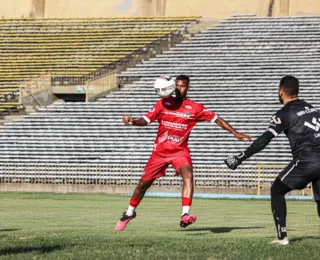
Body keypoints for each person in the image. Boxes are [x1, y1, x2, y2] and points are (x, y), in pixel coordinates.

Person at [115, 75, 251, 231]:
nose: (179, 88)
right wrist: (133, 121)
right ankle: (129, 213)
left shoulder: (195, 108)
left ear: (188, 87)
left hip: (180, 151)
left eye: (182, 86)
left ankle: (185, 214)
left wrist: (235, 133)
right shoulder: (163, 103)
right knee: (143, 185)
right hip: (159, 152)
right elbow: (145, 119)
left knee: (188, 175)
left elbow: (217, 119)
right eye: (177, 85)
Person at [224, 75, 320, 245]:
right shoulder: (312, 108)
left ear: (281, 91)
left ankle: (281, 237)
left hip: (306, 161)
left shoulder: (284, 113)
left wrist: (241, 157)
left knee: (276, 190)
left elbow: (265, 139)